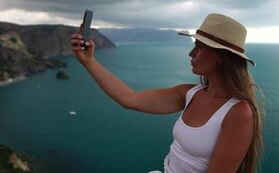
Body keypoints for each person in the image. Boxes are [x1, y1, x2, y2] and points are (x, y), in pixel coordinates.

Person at [69, 13, 264, 173]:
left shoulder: (239, 113)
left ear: (221, 56)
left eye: (199, 47)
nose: (191, 53)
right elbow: (130, 99)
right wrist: (89, 61)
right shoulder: (189, 94)